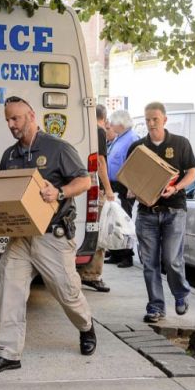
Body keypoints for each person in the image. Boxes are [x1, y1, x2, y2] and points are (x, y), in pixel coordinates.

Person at [0, 96, 97, 375]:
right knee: (9, 286)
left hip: (52, 236)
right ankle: (9, 353)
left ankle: (86, 326)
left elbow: (84, 180)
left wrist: (58, 192)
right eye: (7, 119)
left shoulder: (57, 148)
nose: (11, 125)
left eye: (15, 118)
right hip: (21, 238)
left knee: (66, 292)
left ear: (31, 116)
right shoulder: (9, 155)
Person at [126, 102, 195, 323]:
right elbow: (130, 177)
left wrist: (175, 188)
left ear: (165, 119)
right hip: (147, 213)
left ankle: (181, 294)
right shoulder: (138, 147)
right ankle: (155, 307)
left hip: (174, 210)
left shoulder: (180, 143)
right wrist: (133, 191)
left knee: (171, 259)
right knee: (150, 263)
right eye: (147, 119)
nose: (151, 123)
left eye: (155, 119)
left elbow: (192, 173)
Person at [78, 105, 115, 293]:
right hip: (96, 187)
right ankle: (92, 274)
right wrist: (108, 190)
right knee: (100, 230)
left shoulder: (84, 129)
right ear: (105, 118)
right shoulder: (99, 131)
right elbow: (100, 162)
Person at [104, 109, 139, 268]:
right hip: (114, 184)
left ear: (120, 124)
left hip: (124, 186)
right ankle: (116, 253)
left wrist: (132, 186)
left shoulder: (132, 139)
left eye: (112, 122)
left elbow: (134, 166)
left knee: (124, 221)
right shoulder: (120, 138)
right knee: (114, 220)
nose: (110, 125)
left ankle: (127, 256)